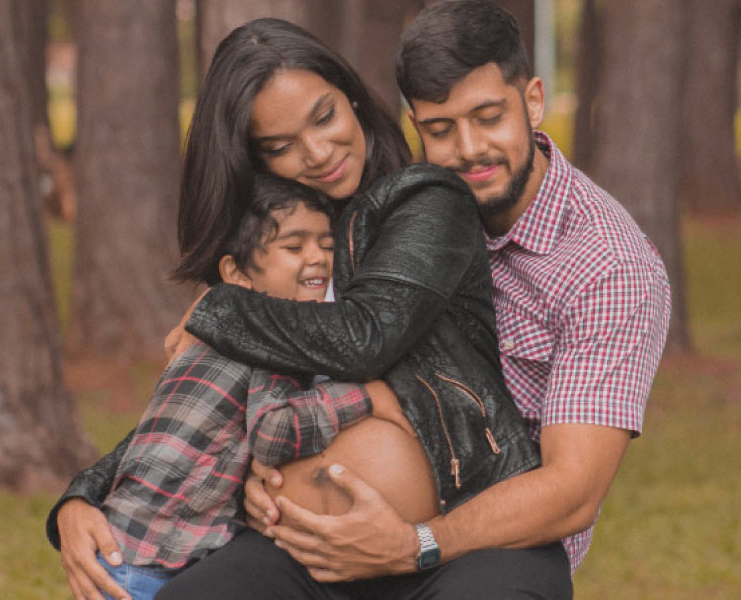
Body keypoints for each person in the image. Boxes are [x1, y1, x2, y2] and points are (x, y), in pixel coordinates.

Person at [48, 13, 566, 600]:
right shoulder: (278, 257)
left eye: (324, 117)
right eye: (281, 146)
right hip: (302, 551)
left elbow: (368, 335)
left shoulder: (425, 200)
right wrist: (85, 494)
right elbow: (201, 401)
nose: (318, 153)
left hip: (457, 533)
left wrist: (220, 309)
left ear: (350, 96)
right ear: (256, 159)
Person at [87, 174, 414, 599]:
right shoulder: (267, 335)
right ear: (236, 273)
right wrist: (368, 398)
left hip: (129, 546)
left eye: (327, 245)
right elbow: (273, 432)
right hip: (151, 562)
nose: (317, 258)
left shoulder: (213, 332)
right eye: (294, 247)